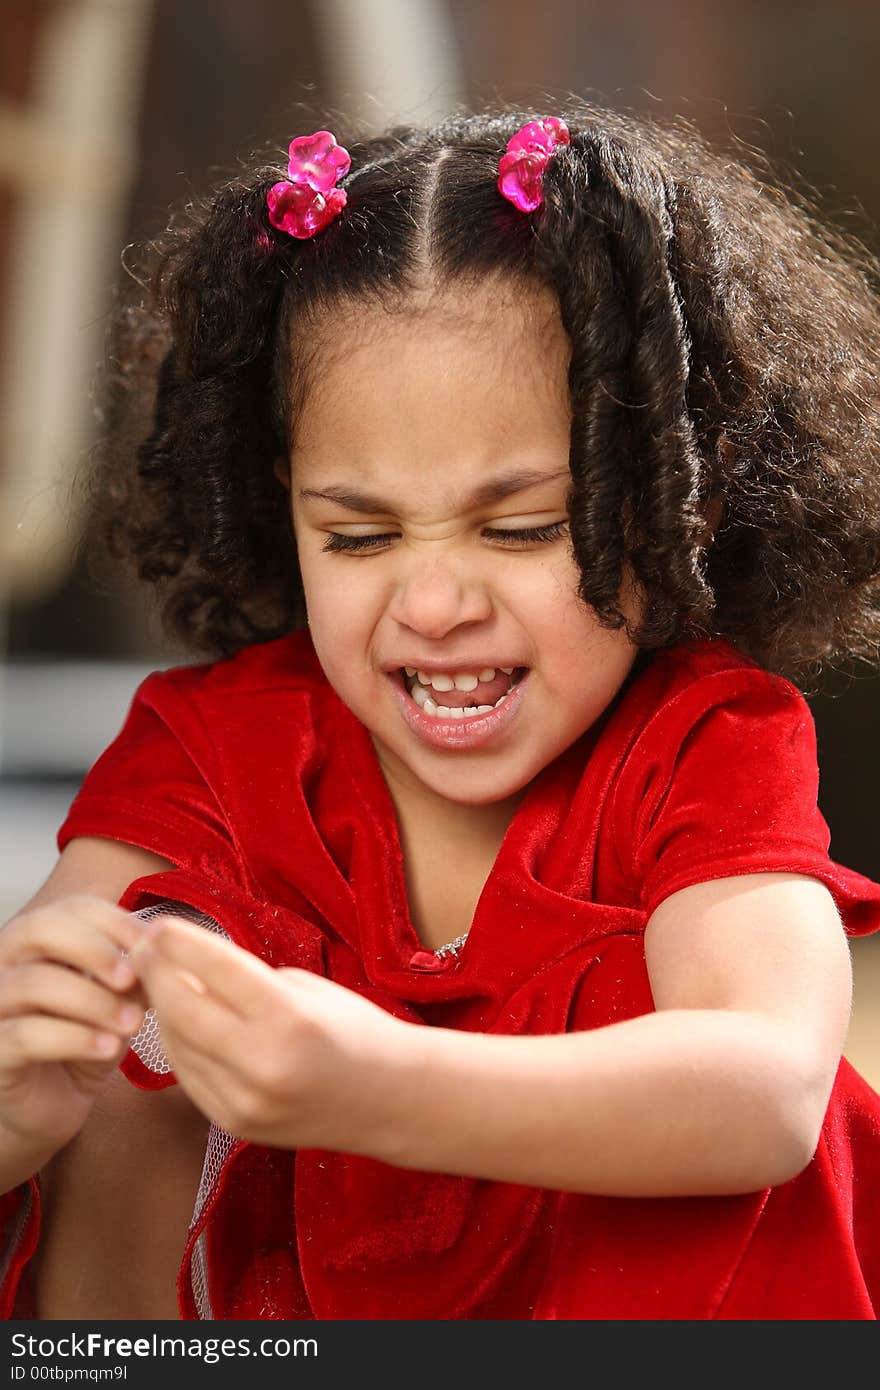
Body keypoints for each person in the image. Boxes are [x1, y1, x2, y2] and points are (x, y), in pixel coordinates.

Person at [1, 99, 880, 1322]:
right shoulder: (211, 750)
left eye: (520, 528)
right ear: (281, 505)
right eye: (356, 535)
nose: (431, 602)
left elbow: (768, 1090)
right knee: (116, 1069)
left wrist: (372, 1085)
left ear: (670, 491)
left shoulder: (703, 743)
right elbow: (52, 1029)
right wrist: (17, 1107)